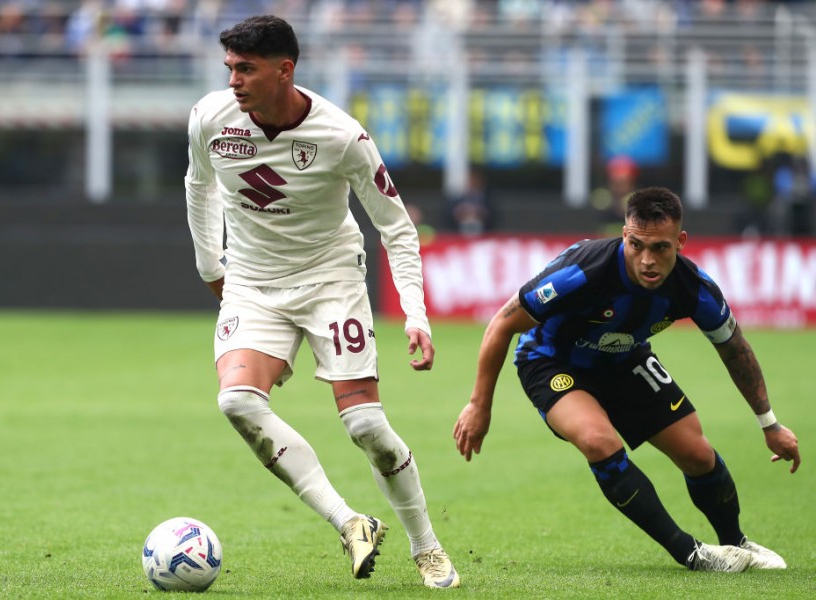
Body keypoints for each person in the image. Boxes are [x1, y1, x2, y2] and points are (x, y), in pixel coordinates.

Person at [184, 15, 459, 589]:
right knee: (237, 402)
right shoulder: (210, 117)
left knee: (365, 425)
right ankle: (350, 521)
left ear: (285, 70)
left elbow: (396, 228)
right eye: (229, 67)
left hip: (330, 279)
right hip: (252, 281)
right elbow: (199, 185)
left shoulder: (342, 137)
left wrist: (415, 312)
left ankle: (427, 547)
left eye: (246, 69)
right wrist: (212, 266)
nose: (233, 80)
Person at [453, 186, 800, 572]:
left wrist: (769, 423)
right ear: (624, 235)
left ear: (681, 242)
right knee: (598, 441)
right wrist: (479, 405)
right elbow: (502, 324)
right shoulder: (583, 271)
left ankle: (737, 543)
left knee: (697, 454)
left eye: (660, 248)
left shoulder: (694, 288)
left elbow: (735, 349)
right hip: (551, 361)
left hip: (623, 359)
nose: (647, 260)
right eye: (637, 245)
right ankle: (690, 552)